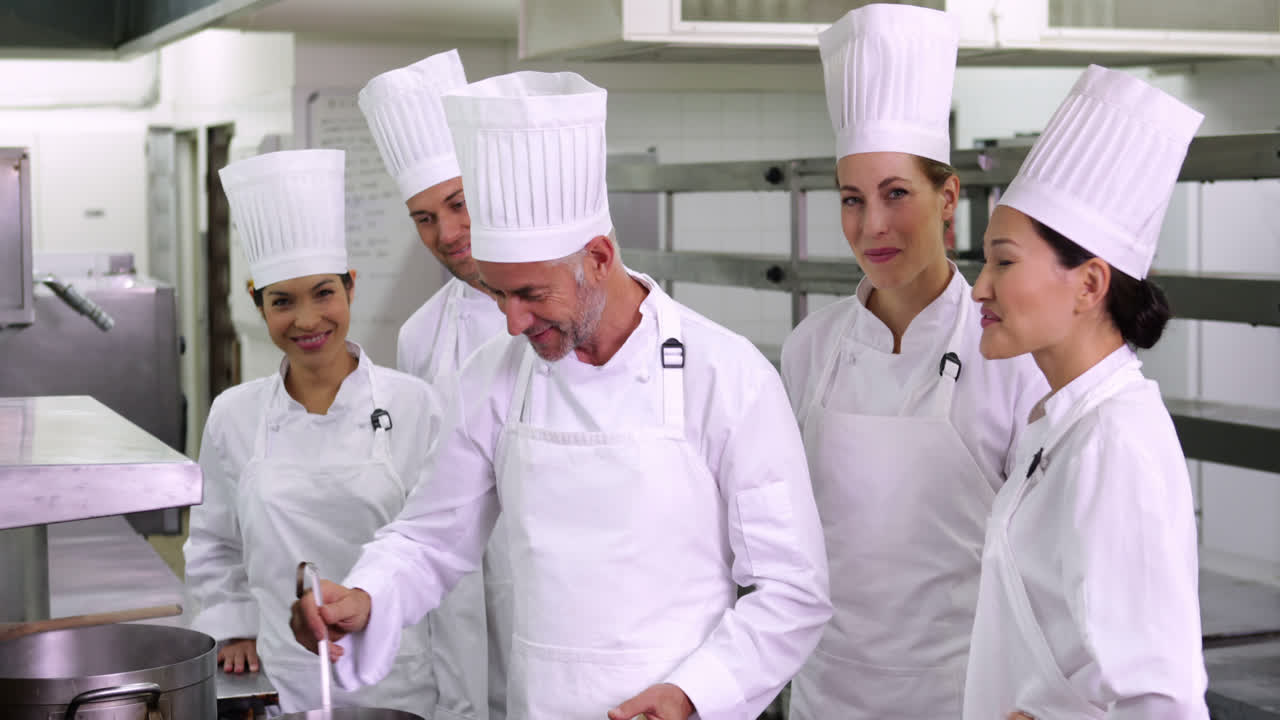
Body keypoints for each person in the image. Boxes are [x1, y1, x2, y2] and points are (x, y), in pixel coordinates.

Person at [289, 70, 832, 720]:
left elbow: (791, 589)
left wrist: (694, 694)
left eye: (531, 295)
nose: (513, 323)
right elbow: (432, 535)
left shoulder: (728, 377)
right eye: (497, 293)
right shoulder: (496, 376)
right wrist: (367, 594)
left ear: (599, 257)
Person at [781, 6, 1047, 719]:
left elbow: (1049, 566)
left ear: (948, 197)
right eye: (851, 199)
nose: (873, 226)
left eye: (897, 193)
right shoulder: (811, 348)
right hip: (825, 693)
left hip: (961, 696)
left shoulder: (1013, 355)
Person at [964, 65, 1209, 719]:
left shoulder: (1116, 439)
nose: (978, 287)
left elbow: (1158, 696)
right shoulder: (1065, 424)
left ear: (1090, 285)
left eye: (1004, 261)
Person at [183, 149, 444, 715]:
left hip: (399, 676)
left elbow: (441, 547)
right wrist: (232, 626)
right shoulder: (234, 413)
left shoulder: (415, 404)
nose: (306, 320)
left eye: (323, 293)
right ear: (259, 305)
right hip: (280, 675)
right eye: (282, 302)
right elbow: (214, 541)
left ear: (351, 287)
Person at [359, 48, 511, 720]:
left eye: (458, 203)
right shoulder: (419, 333)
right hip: (455, 606)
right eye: (424, 217)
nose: (446, 234)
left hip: (552, 606)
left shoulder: (565, 322)